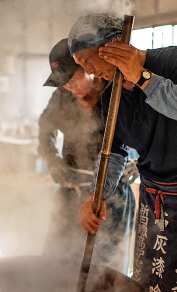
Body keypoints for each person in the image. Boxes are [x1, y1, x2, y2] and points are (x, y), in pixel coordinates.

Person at [68, 13, 177, 292]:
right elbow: (115, 153)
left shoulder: (174, 60)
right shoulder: (112, 97)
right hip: (153, 199)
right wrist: (98, 194)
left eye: (87, 60)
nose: (90, 72)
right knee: (150, 286)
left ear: (110, 46)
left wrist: (146, 79)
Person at [38, 38, 136, 274]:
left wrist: (141, 165)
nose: (67, 87)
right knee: (58, 265)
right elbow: (45, 129)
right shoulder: (62, 97)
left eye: (71, 80)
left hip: (112, 197)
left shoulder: (118, 93)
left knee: (106, 273)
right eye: (62, 83)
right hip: (71, 191)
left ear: (89, 68)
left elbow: (152, 135)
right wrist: (52, 159)